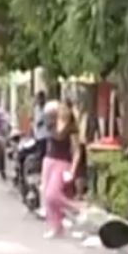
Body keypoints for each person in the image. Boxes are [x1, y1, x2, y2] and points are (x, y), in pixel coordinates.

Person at [41, 100, 85, 239]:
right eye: (60, 108)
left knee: (52, 194)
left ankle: (77, 208)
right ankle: (56, 227)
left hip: (63, 162)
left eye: (65, 109)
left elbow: (77, 151)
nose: (62, 111)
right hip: (49, 160)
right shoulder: (51, 123)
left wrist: (72, 170)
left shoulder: (72, 128)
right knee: (46, 196)